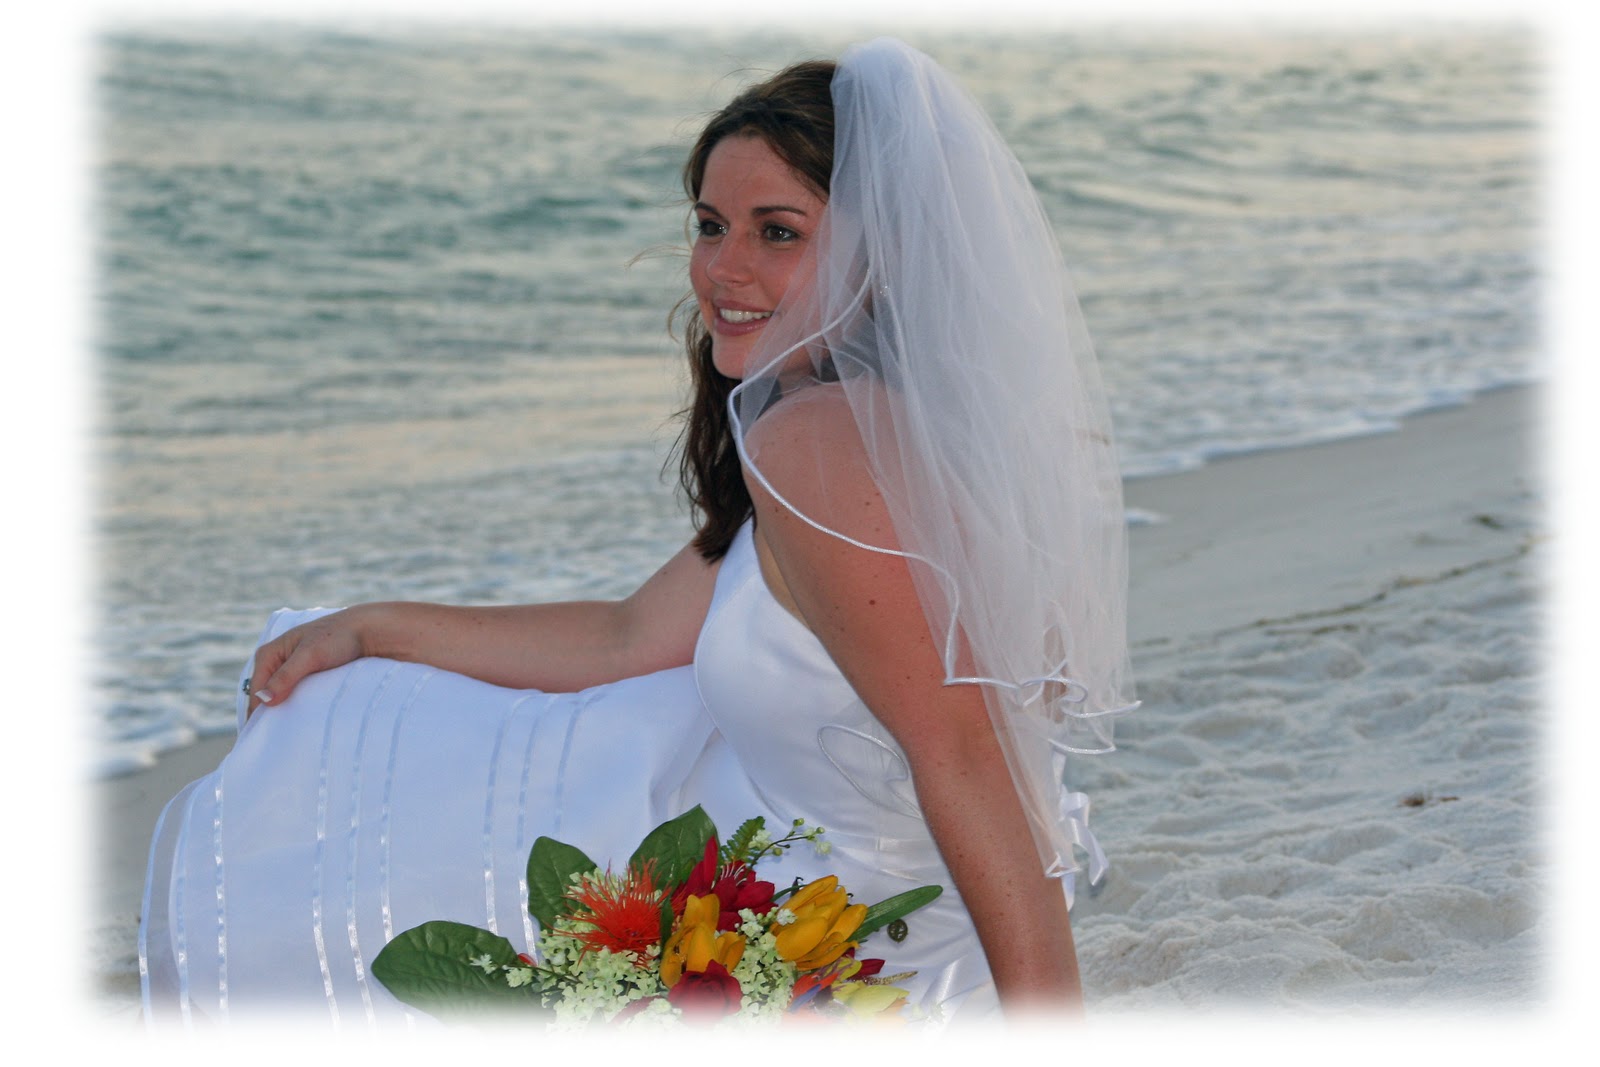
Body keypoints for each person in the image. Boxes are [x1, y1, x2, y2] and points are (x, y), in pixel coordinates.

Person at [139, 37, 1135, 1029]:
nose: (722, 269)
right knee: (393, 719)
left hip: (846, 939)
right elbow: (627, 636)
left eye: (777, 231)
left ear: (880, 252)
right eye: (710, 224)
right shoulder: (866, 416)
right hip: (808, 877)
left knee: (359, 828)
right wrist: (371, 625)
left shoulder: (821, 441)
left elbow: (961, 758)